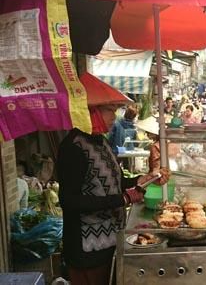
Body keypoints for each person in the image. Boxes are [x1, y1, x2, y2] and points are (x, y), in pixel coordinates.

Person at [57, 100, 170, 285]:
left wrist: (142, 179)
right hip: (87, 250)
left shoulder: (102, 141)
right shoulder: (73, 146)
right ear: (91, 111)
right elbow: (70, 201)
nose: (114, 116)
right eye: (109, 110)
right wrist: (123, 198)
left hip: (111, 242)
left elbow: (115, 181)